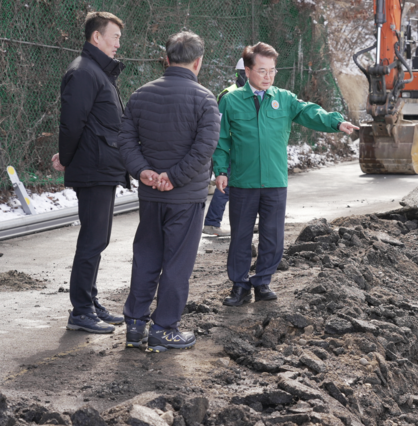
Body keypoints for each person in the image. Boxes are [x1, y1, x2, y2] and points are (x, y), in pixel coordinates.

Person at [214, 42, 359, 306]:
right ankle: (239, 286)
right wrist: (221, 171)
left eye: (272, 70)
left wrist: (336, 121)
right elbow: (221, 140)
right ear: (247, 71)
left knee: (273, 236)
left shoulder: (284, 98)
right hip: (243, 182)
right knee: (241, 237)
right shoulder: (231, 101)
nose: (268, 76)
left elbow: (310, 112)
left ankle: (262, 282)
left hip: (275, 181)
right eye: (261, 70)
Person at [118, 31, 220, 352]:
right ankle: (164, 329)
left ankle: (135, 325)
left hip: (150, 195)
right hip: (185, 197)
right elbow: (204, 150)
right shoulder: (205, 99)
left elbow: (125, 141)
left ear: (167, 58)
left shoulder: (140, 95)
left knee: (146, 255)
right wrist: (173, 178)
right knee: (177, 264)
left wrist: (144, 172)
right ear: (198, 61)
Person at [53, 11, 127, 334]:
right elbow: (72, 123)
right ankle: (80, 310)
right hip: (93, 167)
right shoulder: (84, 72)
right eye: (114, 37)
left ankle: (89, 300)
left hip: (102, 166)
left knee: (99, 239)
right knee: (92, 239)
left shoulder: (98, 72)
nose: (118, 44)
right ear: (96, 37)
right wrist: (66, 158)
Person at [202, 58, 248, 236]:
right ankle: (212, 223)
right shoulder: (229, 94)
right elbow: (220, 125)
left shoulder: (249, 92)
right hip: (229, 150)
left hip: (242, 150)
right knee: (225, 187)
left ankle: (243, 222)